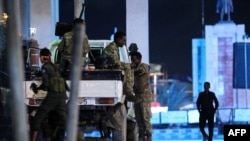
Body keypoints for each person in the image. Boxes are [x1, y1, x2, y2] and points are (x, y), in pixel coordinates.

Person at [30, 48, 68, 141]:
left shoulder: (44, 67)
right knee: (65, 120)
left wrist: (37, 89)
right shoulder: (56, 66)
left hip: (53, 96)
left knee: (38, 118)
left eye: (40, 57)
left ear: (43, 57)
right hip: (62, 95)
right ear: (50, 56)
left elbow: (46, 84)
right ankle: (76, 136)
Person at [103, 31, 139, 103]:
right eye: (123, 40)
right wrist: (128, 65)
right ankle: (128, 92)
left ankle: (126, 90)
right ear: (118, 39)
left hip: (111, 67)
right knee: (128, 67)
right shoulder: (111, 48)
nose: (124, 42)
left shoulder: (115, 47)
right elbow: (115, 62)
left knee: (128, 66)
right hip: (107, 67)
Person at [130, 52, 152, 141]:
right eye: (131, 59)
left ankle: (149, 136)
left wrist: (129, 70)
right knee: (138, 118)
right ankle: (141, 137)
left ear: (138, 59)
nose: (132, 61)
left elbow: (140, 71)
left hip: (145, 96)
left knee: (145, 117)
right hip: (137, 96)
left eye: (134, 59)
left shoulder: (144, 67)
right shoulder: (133, 68)